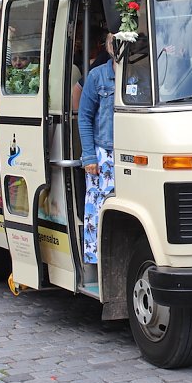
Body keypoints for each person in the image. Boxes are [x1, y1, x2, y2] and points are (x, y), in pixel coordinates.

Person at [77, 33, 116, 264]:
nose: (116, 46)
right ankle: (98, 262)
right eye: (112, 42)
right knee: (99, 206)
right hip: (103, 153)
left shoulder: (142, 75)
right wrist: (89, 156)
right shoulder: (97, 75)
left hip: (132, 150)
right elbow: (84, 117)